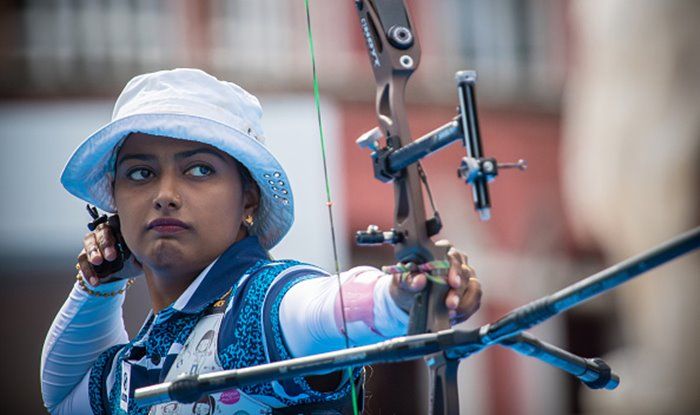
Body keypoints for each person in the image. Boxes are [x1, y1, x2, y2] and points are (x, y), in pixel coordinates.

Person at [40, 68, 482, 414]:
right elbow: (62, 399)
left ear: (247, 196)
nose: (165, 196)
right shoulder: (142, 357)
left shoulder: (257, 305)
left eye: (199, 170)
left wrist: (403, 294)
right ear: (115, 202)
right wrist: (100, 284)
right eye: (141, 173)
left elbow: (321, 309)